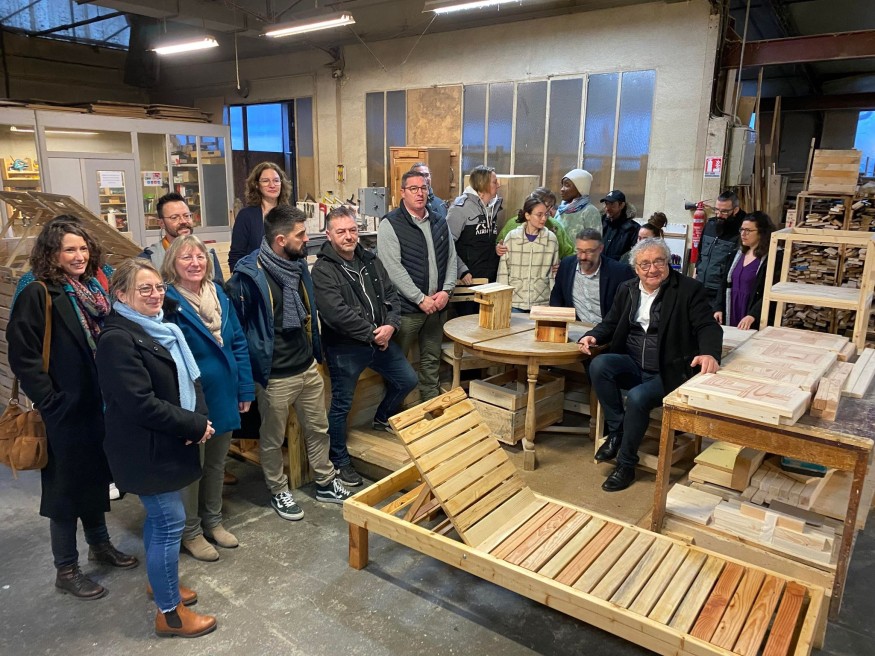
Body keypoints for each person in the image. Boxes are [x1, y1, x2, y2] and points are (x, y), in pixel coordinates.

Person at [7, 216, 137, 601]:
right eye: (69, 250)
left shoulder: (93, 289)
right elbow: (23, 355)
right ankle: (66, 568)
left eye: (82, 248)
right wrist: (51, 401)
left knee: (94, 478)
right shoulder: (39, 292)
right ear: (52, 253)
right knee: (63, 491)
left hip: (96, 404)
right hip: (64, 409)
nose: (78, 256)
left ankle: (100, 545)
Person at [96, 258, 217, 638]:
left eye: (159, 287)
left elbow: (189, 380)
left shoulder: (161, 329)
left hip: (165, 440)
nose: (155, 295)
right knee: (169, 522)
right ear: (121, 295)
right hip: (145, 449)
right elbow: (140, 403)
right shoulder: (117, 339)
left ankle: (159, 582)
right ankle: (170, 614)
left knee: (160, 521)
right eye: (144, 289)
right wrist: (193, 425)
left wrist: (197, 417)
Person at [226, 205, 352, 521]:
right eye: (301, 235)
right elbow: (238, 332)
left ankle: (325, 481)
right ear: (281, 240)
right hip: (274, 376)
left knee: (318, 429)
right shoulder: (247, 278)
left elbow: (309, 314)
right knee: (271, 439)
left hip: (306, 366)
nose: (307, 239)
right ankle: (278, 490)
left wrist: (315, 355)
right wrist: (250, 376)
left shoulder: (297, 267)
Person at [579, 238, 722, 492]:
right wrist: (593, 335)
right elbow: (611, 322)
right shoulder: (627, 288)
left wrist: (709, 353)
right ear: (636, 269)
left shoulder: (688, 289)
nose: (652, 269)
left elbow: (707, 326)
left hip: (669, 371)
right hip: (634, 363)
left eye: (658, 262)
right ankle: (618, 431)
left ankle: (626, 464)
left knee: (637, 397)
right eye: (645, 264)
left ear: (668, 263)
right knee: (599, 365)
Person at [161, 236, 255, 562]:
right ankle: (191, 532)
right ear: (173, 263)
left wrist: (245, 389)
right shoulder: (168, 301)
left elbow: (238, 342)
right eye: (186, 257)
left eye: (200, 256)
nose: (195, 263)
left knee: (216, 463)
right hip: (191, 399)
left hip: (224, 392)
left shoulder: (219, 294)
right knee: (193, 467)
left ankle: (213, 521)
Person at [312, 206, 418, 487]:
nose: (349, 236)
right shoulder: (322, 270)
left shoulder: (370, 260)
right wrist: (373, 334)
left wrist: (391, 325)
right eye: (341, 232)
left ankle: (382, 417)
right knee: (341, 405)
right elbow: (336, 314)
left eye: (352, 230)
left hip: (380, 339)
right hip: (345, 347)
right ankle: (339, 459)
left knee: (407, 380)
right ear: (328, 235)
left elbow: (391, 294)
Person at [378, 170, 458, 401]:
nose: (419, 193)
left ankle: (431, 405)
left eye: (423, 188)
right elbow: (392, 269)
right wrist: (419, 298)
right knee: (397, 364)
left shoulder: (439, 221)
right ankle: (393, 411)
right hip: (406, 311)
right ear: (403, 192)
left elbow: (451, 258)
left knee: (431, 361)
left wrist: (447, 291)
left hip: (437, 307)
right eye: (413, 189)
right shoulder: (391, 224)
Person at [550, 228, 636, 324]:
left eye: (589, 252)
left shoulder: (619, 272)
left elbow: (629, 308)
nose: (583, 257)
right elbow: (556, 297)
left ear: (600, 249)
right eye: (579, 251)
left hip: (608, 329)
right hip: (577, 326)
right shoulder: (567, 265)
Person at [141, 192, 223, 283]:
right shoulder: (150, 258)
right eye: (174, 217)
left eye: (187, 216)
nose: (183, 221)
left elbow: (219, 289)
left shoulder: (208, 254)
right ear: (161, 223)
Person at [497, 196, 559, 311]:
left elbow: (554, 274)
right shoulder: (512, 237)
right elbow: (503, 272)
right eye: (539, 215)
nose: (544, 218)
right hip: (515, 302)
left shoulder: (551, 239)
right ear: (527, 215)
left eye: (546, 214)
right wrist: (502, 301)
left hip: (542, 302)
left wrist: (554, 302)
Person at [228, 162, 291, 272]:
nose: (272, 185)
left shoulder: (290, 215)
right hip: (255, 276)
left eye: (276, 180)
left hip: (286, 275)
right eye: (266, 181)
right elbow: (236, 257)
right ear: (256, 185)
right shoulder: (246, 216)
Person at [446, 165, 501, 285]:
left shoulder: (492, 208)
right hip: (468, 280)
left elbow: (482, 242)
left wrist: (496, 248)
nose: (498, 185)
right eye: (494, 182)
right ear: (483, 184)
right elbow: (446, 244)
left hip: (489, 279)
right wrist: (461, 270)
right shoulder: (460, 209)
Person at [696, 190, 746, 321]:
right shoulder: (710, 225)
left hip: (720, 293)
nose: (719, 214)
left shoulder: (741, 233)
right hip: (701, 289)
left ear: (735, 210)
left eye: (724, 212)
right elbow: (700, 255)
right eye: (716, 210)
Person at [726, 211, 776, 330]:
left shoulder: (772, 258)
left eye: (748, 230)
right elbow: (724, 283)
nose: (743, 234)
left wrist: (753, 314)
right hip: (733, 307)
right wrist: (718, 308)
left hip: (751, 312)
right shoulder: (737, 254)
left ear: (762, 232)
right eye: (742, 229)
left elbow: (770, 292)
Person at [496, 187, 574, 259]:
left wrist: (560, 264)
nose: (548, 212)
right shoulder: (513, 225)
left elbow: (569, 253)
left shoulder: (555, 225)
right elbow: (499, 245)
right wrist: (498, 248)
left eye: (550, 207)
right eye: (539, 213)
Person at [554, 168, 601, 244]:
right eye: (562, 185)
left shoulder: (589, 211)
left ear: (580, 188)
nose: (562, 189)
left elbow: (594, 243)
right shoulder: (562, 209)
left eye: (567, 185)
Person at [600, 190, 639, 262]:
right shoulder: (600, 223)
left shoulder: (633, 228)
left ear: (621, 205)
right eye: (606, 204)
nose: (607, 208)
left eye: (612, 204)